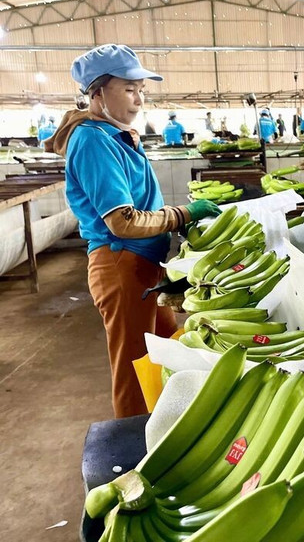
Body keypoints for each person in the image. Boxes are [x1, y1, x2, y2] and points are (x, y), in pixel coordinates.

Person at [49, 44, 221, 418]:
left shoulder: (113, 134)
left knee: (167, 350)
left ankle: (169, 426)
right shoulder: (93, 140)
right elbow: (122, 220)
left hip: (144, 265)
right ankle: (130, 454)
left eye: (141, 89)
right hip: (121, 265)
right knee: (134, 367)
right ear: (96, 92)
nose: (139, 99)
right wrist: (182, 214)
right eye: (129, 89)